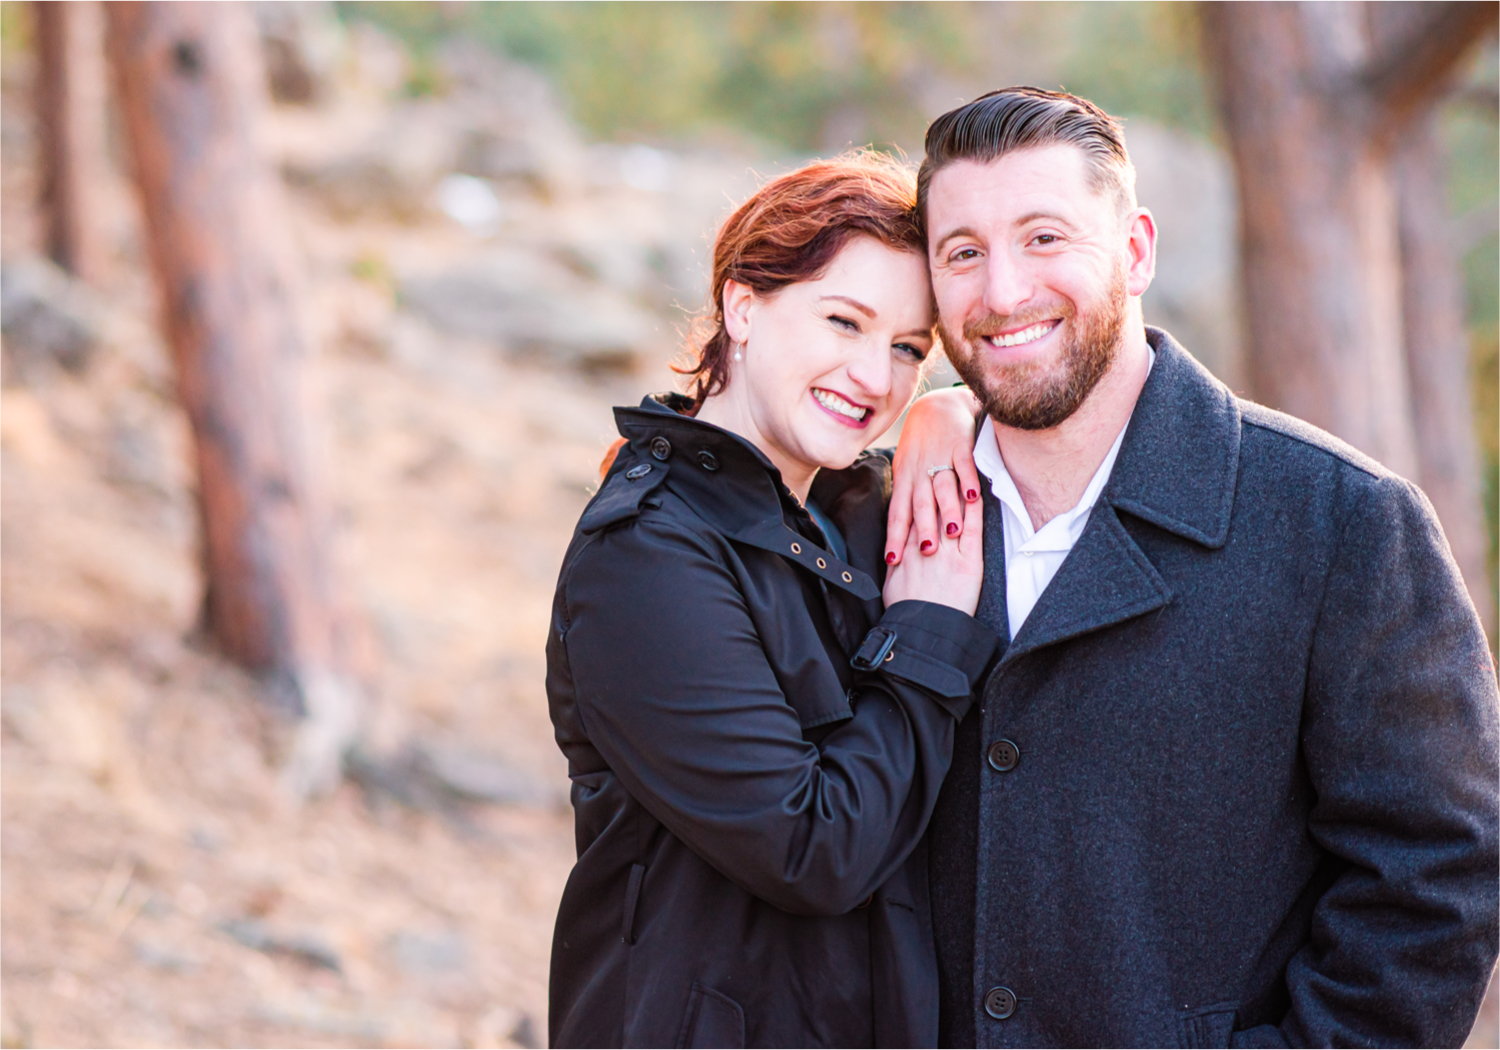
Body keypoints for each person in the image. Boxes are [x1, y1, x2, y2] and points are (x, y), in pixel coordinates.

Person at [885, 87, 1499, 1048]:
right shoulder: (875, 510)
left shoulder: (1343, 522)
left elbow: (1435, 884)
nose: (1001, 292)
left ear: (1135, 251)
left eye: (1046, 238)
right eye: (963, 251)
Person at [544, 154, 997, 1048]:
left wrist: (949, 410)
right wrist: (929, 631)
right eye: (844, 321)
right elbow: (811, 848)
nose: (875, 378)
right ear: (742, 305)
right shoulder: (644, 553)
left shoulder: (846, 504)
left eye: (908, 348)